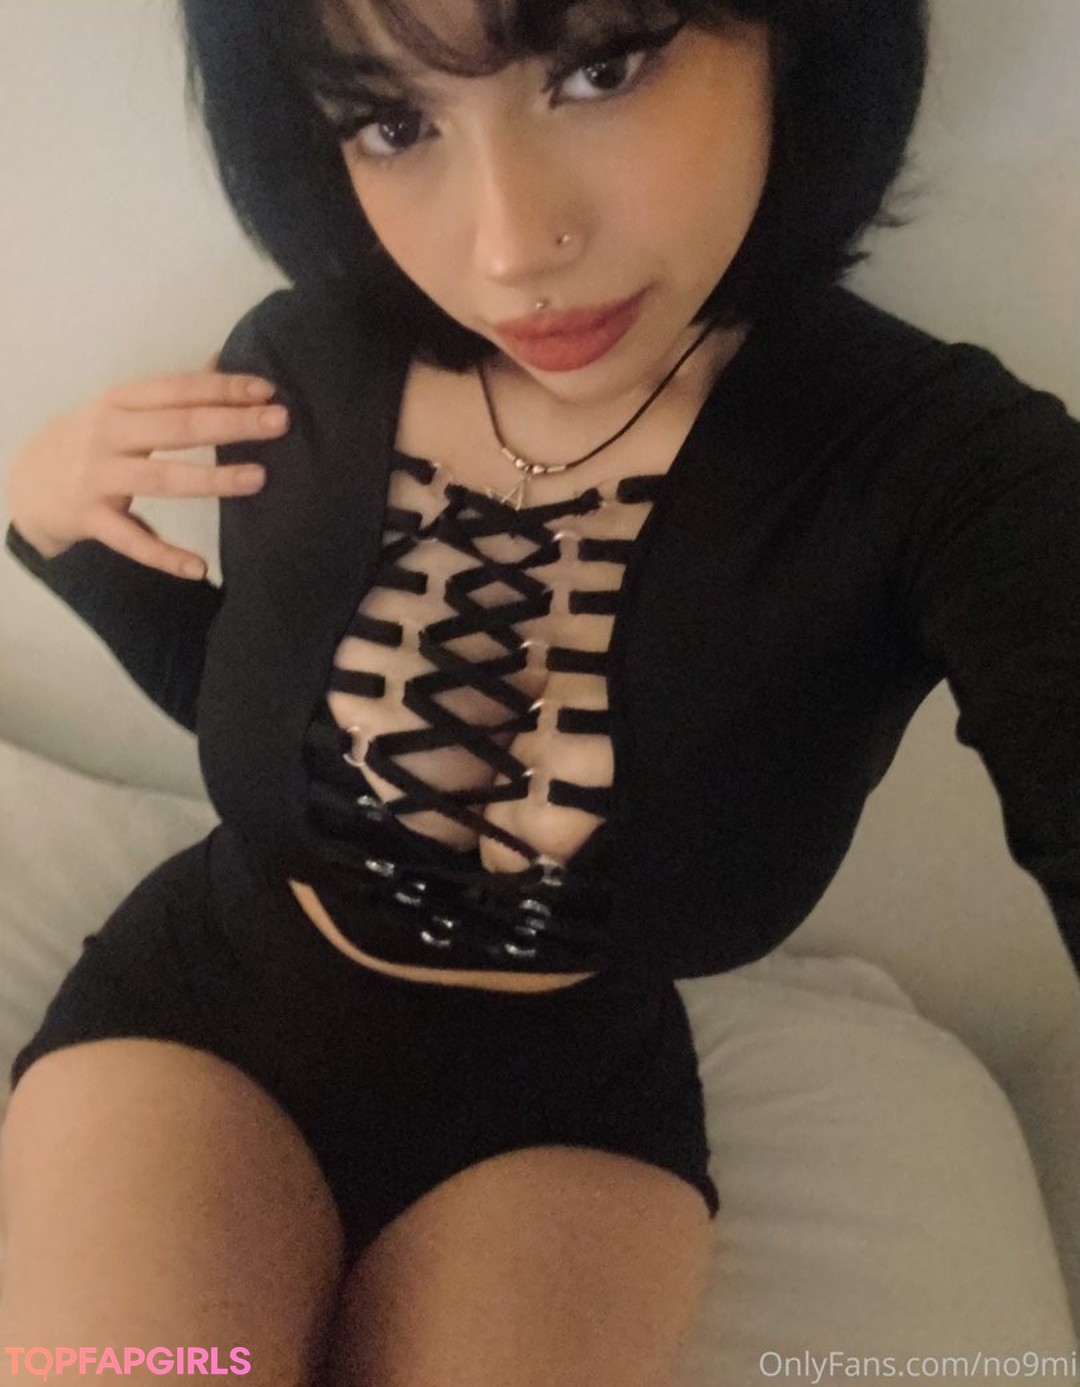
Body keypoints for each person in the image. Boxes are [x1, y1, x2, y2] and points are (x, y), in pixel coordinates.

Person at [2, 0, 1078, 1382]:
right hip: (208, 1015)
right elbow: (262, 712)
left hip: (570, 1117)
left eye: (601, 68)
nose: (511, 249)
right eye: (393, 121)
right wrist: (56, 534)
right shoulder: (304, 364)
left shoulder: (942, 471)